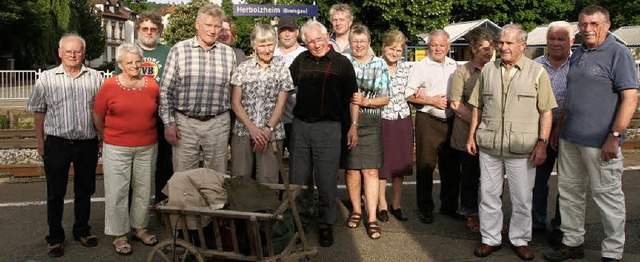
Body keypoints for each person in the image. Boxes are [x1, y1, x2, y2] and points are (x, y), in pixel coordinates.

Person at [544, 6, 639, 262]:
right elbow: (572, 96)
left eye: (594, 24)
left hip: (600, 141)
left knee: (608, 197)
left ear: (607, 24)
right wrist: (559, 128)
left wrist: (615, 136)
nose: (587, 29)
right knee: (570, 194)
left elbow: (630, 97)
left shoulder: (618, 53)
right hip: (569, 138)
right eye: (583, 24)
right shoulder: (577, 53)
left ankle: (612, 252)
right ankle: (572, 243)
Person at [466, 24, 556, 261]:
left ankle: (520, 239)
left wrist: (542, 143)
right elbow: (477, 105)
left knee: (522, 197)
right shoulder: (488, 70)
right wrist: (471, 135)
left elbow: (546, 111)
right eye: (501, 43)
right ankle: (490, 239)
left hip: (522, 148)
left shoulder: (537, 72)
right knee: (488, 195)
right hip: (490, 145)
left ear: (522, 46)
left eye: (509, 43)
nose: (503, 47)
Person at [26, 33, 103, 258]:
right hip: (57, 143)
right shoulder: (46, 79)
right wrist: (41, 143)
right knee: (55, 193)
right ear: (60, 53)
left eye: (77, 51)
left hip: (87, 143)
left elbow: (100, 111)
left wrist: (101, 137)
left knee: (85, 190)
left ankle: (82, 230)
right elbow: (39, 112)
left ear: (83, 53)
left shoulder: (96, 77)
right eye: (68, 51)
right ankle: (55, 237)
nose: (72, 54)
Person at [289, 20, 358, 247]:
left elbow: (353, 98)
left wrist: (353, 126)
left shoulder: (342, 63)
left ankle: (326, 224)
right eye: (310, 42)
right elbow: (286, 87)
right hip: (301, 126)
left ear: (327, 36)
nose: (315, 45)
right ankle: (298, 223)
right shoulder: (300, 61)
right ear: (305, 43)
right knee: (298, 180)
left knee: (327, 180)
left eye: (318, 39)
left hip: (329, 128)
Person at [93, 43, 160, 255]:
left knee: (143, 190)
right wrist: (106, 137)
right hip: (117, 147)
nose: (134, 65)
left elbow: (158, 109)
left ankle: (139, 228)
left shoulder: (151, 84)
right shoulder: (109, 85)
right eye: (129, 62)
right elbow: (97, 115)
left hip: (147, 146)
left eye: (137, 61)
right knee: (117, 191)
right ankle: (119, 234)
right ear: (120, 64)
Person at [159, 4, 236, 174]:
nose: (213, 31)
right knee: (184, 178)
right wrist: (169, 123)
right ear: (197, 24)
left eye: (217, 26)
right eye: (208, 25)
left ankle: (215, 202)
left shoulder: (228, 54)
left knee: (216, 177)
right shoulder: (179, 50)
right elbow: (165, 90)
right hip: (185, 124)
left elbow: (234, 92)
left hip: (218, 123)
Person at [114, 11, 172, 204]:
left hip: (163, 117)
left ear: (159, 31)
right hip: (135, 119)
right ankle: (133, 211)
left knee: (164, 166)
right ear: (138, 29)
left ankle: (162, 207)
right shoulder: (127, 52)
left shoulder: (169, 52)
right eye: (145, 28)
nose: (149, 32)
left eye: (153, 29)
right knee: (134, 168)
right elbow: (118, 85)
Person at [405, 29, 460, 224]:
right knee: (426, 165)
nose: (438, 48)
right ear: (429, 46)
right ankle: (425, 208)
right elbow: (408, 94)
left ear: (448, 46)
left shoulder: (455, 66)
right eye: (434, 44)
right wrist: (431, 101)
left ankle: (449, 206)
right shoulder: (420, 67)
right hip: (428, 120)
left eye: (441, 45)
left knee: (451, 167)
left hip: (451, 121)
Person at [230, 24, 294, 183]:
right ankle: (241, 208)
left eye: (270, 44)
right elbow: (236, 103)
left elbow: (281, 105)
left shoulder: (282, 70)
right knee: (240, 178)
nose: (266, 49)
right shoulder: (242, 68)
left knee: (268, 180)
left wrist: (266, 131)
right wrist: (252, 129)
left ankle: (268, 209)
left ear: (275, 44)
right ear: (254, 45)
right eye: (262, 45)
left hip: (272, 134)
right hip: (243, 132)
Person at [343, 24, 390, 240]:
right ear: (350, 43)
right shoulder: (344, 62)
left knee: (370, 171)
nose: (359, 45)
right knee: (352, 170)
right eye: (355, 42)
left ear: (369, 43)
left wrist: (365, 101)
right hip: (347, 121)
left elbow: (386, 97)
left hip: (371, 121)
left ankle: (371, 217)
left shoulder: (380, 64)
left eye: (362, 41)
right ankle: (356, 210)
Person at [448, 27, 496, 232]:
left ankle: (491, 214)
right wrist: (479, 124)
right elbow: (455, 104)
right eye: (485, 48)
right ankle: (470, 212)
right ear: (474, 49)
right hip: (467, 133)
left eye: (492, 47)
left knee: (492, 177)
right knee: (470, 174)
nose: (490, 52)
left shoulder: (497, 70)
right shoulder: (462, 73)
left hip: (492, 134)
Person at [531, 21, 573, 245]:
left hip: (569, 132)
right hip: (540, 132)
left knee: (567, 182)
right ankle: (536, 221)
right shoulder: (536, 65)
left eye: (561, 38)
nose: (556, 43)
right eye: (552, 39)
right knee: (537, 180)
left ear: (571, 41)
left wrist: (559, 126)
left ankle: (560, 226)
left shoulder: (578, 64)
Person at [378, 30, 413, 222]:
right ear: (384, 47)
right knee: (384, 165)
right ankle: (382, 205)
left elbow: (413, 90)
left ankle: (396, 204)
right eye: (392, 48)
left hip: (403, 119)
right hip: (383, 119)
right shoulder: (376, 66)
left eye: (399, 50)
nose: (395, 52)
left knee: (400, 165)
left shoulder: (407, 69)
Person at [274, 16, 307, 153]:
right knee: (274, 164)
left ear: (297, 32)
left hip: (297, 119)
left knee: (298, 161)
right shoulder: (271, 52)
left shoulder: (305, 54)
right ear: (278, 33)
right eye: (283, 30)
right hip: (274, 120)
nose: (287, 34)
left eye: (291, 30)